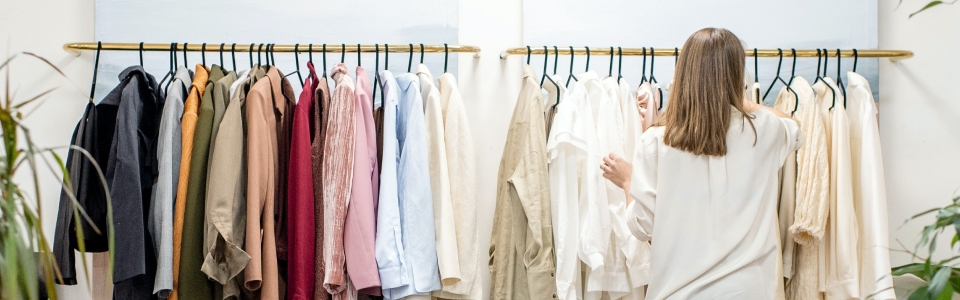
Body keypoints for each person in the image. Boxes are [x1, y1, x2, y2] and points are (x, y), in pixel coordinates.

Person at [601, 28, 802, 300]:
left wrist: (627, 181)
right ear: (736, 75)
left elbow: (642, 227)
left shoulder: (656, 142)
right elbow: (793, 124)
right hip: (751, 292)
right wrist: (734, 99)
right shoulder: (764, 132)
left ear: (684, 74)